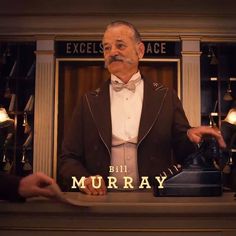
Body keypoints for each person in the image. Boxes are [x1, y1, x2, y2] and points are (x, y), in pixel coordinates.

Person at [59, 21, 226, 195]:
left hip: (153, 201)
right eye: (106, 48)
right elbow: (68, 159)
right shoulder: (87, 102)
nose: (112, 52)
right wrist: (83, 179)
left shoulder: (166, 97)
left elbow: (184, 154)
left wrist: (190, 137)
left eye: (120, 45)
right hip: (100, 202)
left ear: (140, 51)